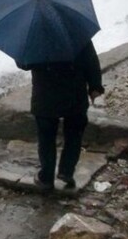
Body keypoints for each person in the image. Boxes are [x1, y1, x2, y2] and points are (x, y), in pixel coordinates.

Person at [17, 41, 104, 191]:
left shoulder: (36, 36)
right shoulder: (76, 32)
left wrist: (20, 51)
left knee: (46, 137)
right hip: (74, 93)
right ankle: (66, 172)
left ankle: (46, 177)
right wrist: (95, 86)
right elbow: (91, 61)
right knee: (74, 134)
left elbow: (24, 64)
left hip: (45, 95)